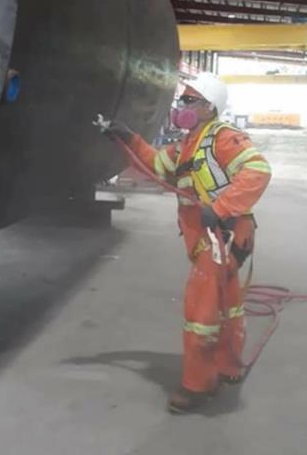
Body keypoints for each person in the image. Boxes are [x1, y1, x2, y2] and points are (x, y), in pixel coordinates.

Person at [103, 72, 271, 413]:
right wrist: (126, 136)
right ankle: (229, 367)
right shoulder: (188, 145)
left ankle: (196, 386)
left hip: (221, 237)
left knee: (201, 314)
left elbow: (259, 170)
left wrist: (220, 208)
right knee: (229, 305)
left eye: (189, 100)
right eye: (183, 99)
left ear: (209, 107)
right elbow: (156, 163)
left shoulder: (223, 138)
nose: (182, 106)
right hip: (221, 238)